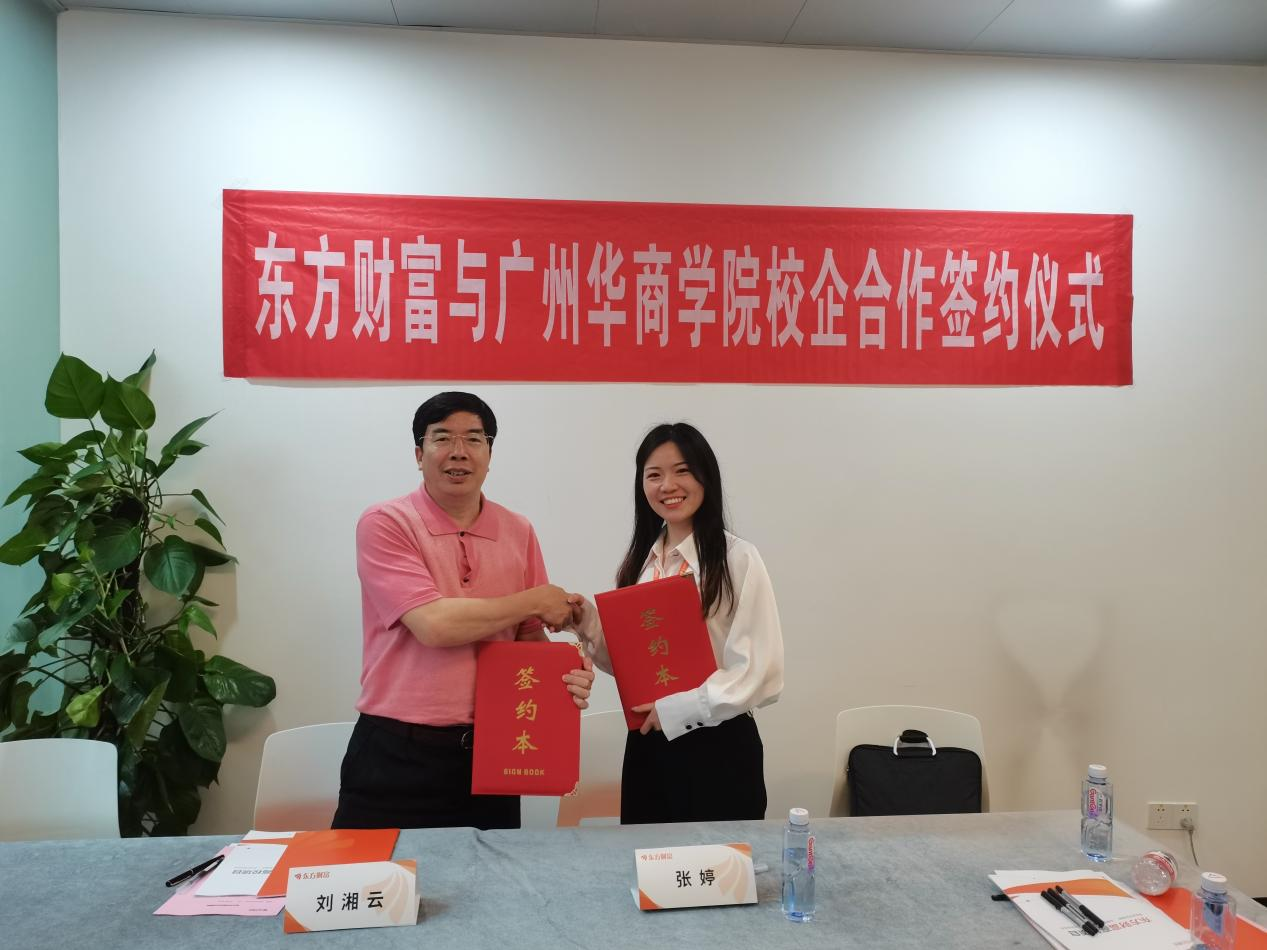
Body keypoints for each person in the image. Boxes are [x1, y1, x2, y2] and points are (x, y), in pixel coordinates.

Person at [332, 391, 594, 831]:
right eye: (442, 438)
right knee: (373, 873)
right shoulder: (386, 522)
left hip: (494, 751)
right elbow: (433, 625)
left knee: (490, 876)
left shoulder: (518, 530)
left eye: (474, 439)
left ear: (489, 454)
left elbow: (527, 637)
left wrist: (564, 675)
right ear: (419, 454)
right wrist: (535, 598)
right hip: (396, 752)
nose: (459, 452)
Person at [571, 422, 783, 824]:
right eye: (654, 475)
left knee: (719, 862)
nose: (668, 485)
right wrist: (588, 623)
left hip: (719, 746)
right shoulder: (642, 563)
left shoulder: (737, 558)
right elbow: (634, 667)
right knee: (648, 859)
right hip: (648, 745)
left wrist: (680, 708)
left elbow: (760, 672)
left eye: (682, 470)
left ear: (705, 476)